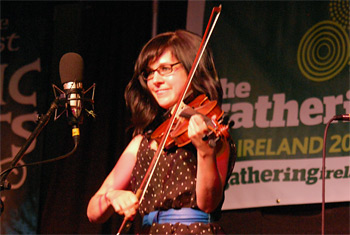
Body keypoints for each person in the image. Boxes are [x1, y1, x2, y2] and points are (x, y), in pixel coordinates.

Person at [87, 29, 236, 234]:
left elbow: (208, 204)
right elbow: (93, 211)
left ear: (192, 68)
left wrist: (205, 151)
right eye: (150, 72)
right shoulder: (142, 141)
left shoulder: (211, 131)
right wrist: (113, 197)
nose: (155, 80)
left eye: (165, 68)